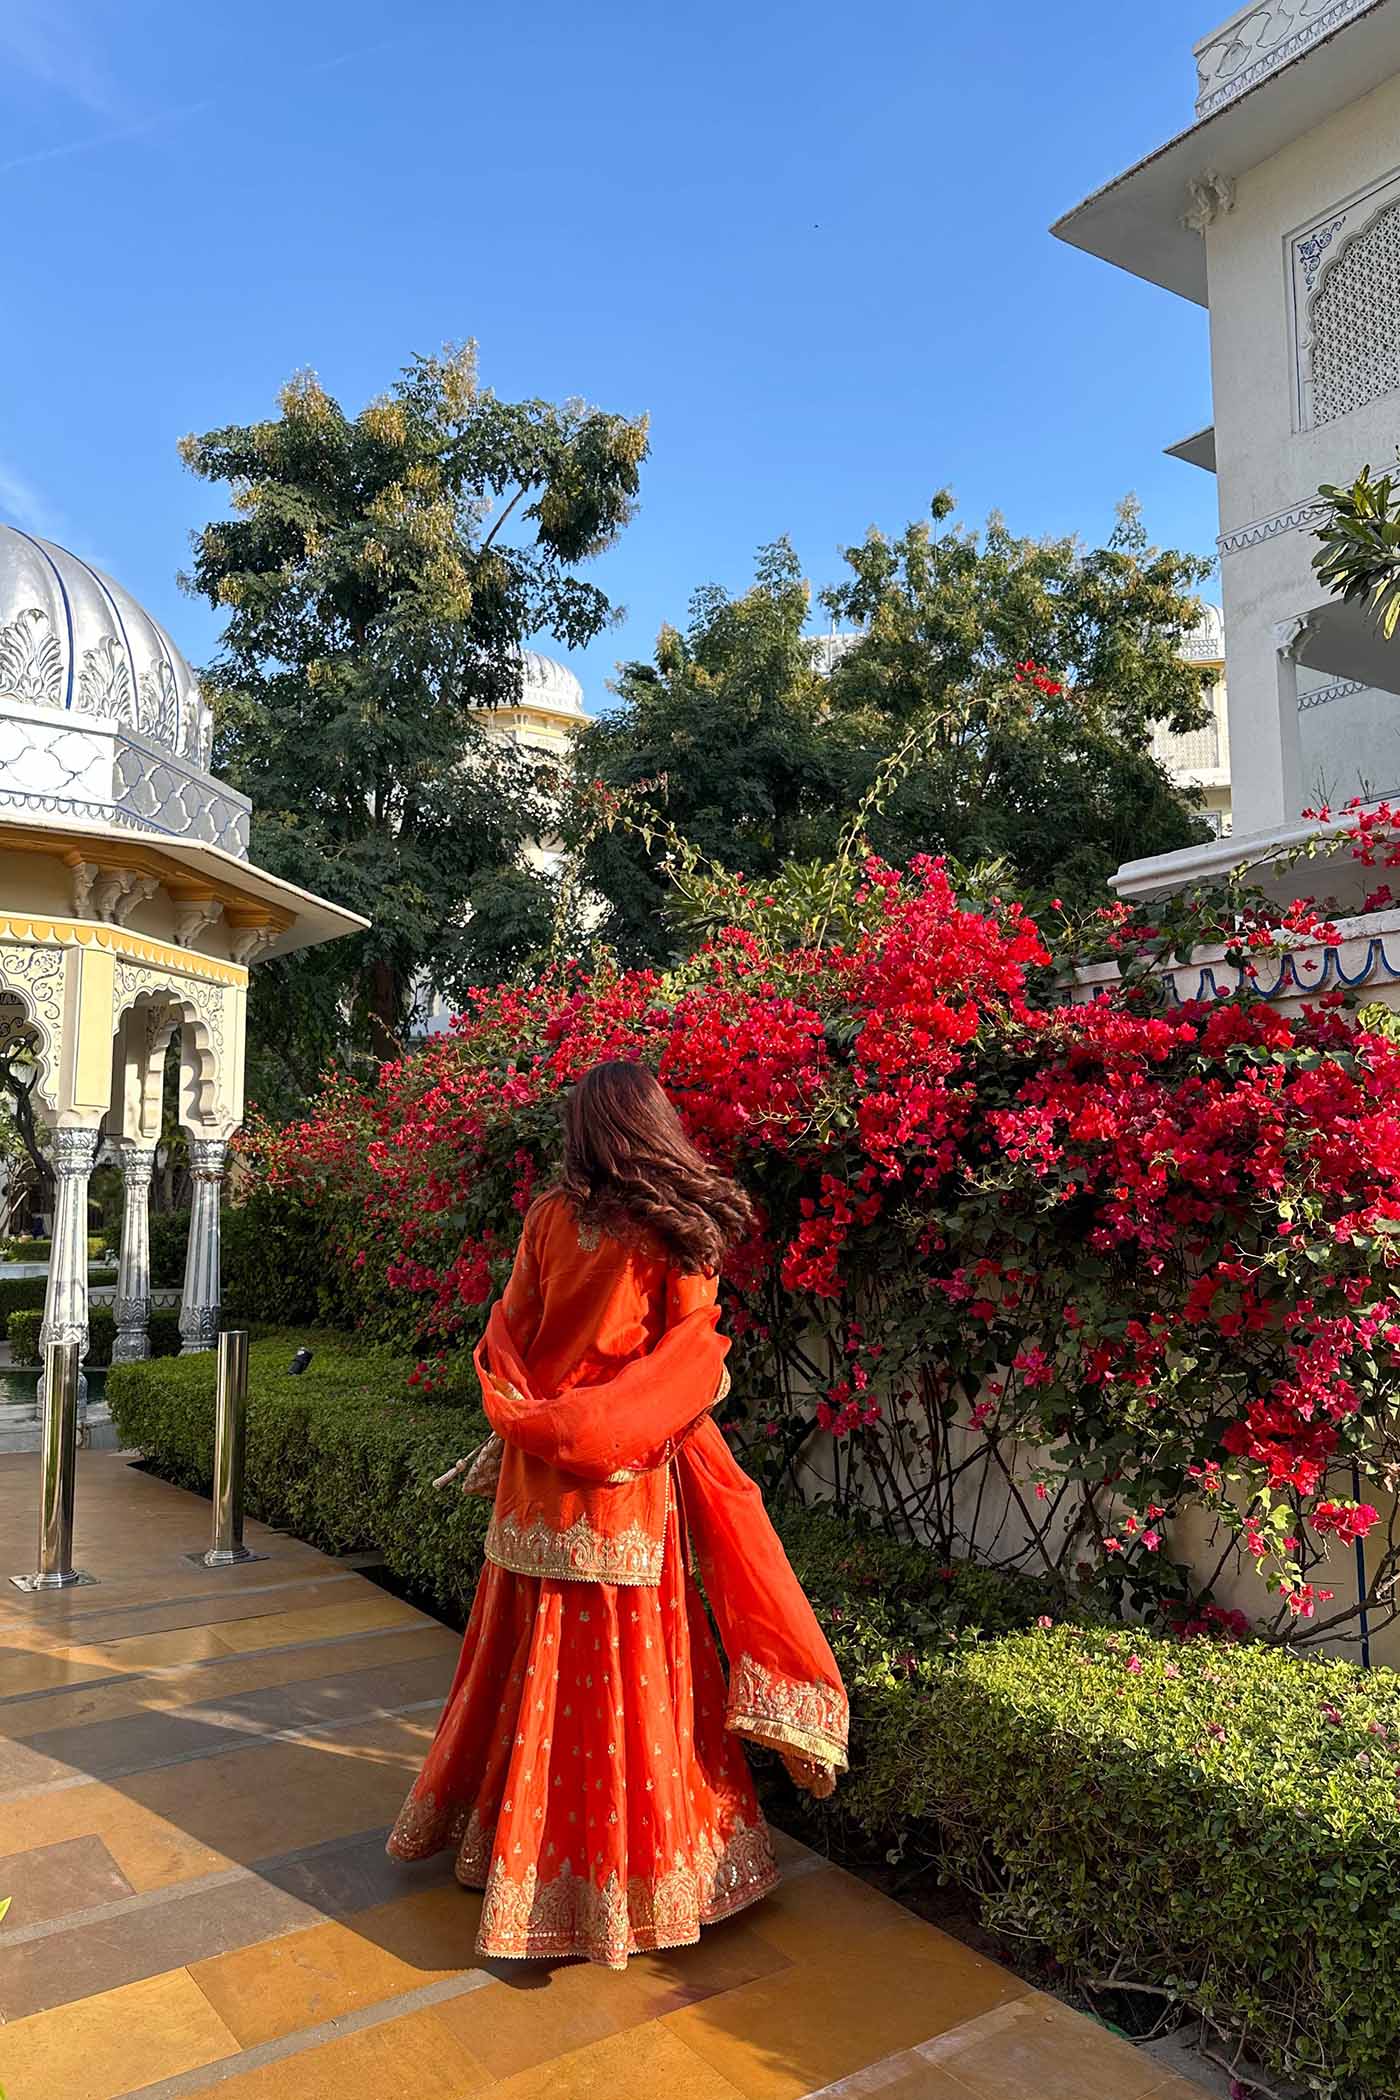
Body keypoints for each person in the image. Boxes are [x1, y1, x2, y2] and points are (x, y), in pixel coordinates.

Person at [387, 1059, 848, 1969]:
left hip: (533, 1489)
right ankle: (636, 1885)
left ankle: (514, 1860)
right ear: (653, 1125)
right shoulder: (678, 1230)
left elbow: (507, 1342)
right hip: (629, 1492)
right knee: (627, 1688)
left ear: (584, 1132)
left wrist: (541, 1420)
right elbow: (692, 1366)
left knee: (530, 1679)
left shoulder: (550, 1220)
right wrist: (650, 1403)